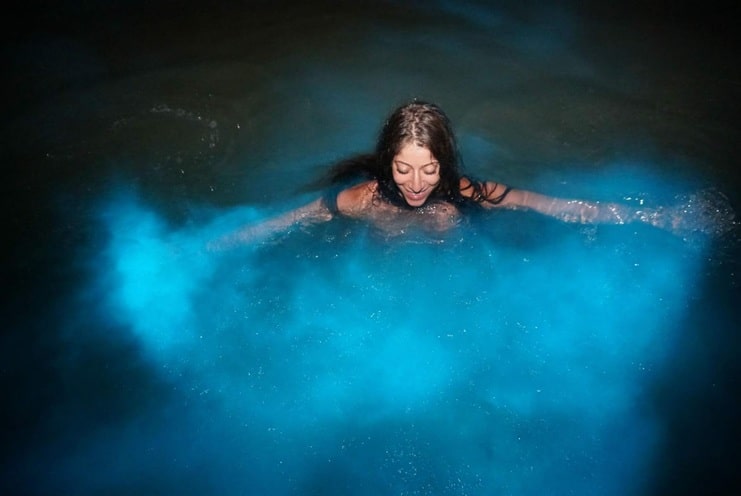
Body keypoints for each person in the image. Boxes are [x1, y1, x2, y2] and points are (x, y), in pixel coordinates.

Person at [208, 100, 686, 250]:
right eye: (403, 168)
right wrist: (215, 245)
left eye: (429, 169)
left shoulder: (466, 192)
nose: (416, 183)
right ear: (386, 164)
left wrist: (655, 217)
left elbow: (555, 206)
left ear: (445, 165)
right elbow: (286, 221)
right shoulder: (363, 199)